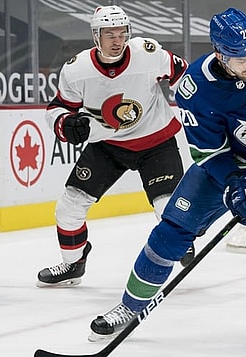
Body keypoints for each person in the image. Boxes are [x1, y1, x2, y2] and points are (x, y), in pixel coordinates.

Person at [87, 8, 246, 346]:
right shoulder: (196, 88)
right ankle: (130, 306)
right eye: (240, 59)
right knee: (172, 230)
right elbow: (211, 154)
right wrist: (235, 186)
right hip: (229, 164)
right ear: (221, 55)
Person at [37, 6, 192, 287]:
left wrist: (201, 108)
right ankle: (73, 264)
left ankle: (179, 241)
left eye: (122, 33)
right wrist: (65, 124)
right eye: (110, 34)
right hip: (107, 145)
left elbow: (185, 76)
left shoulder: (147, 53)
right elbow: (58, 108)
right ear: (96, 36)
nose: (117, 40)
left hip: (155, 141)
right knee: (69, 206)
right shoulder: (77, 70)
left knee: (166, 206)